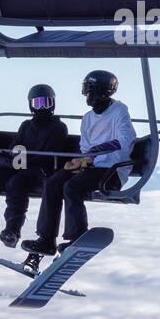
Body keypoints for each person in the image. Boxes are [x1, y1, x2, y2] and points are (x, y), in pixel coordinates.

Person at [23, 70, 136, 256]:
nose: (85, 94)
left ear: (101, 91)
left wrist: (96, 152)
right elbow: (86, 148)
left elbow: (126, 141)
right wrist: (82, 161)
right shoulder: (88, 118)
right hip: (92, 168)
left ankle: (77, 236)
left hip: (111, 171)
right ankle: (46, 239)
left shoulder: (119, 111)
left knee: (72, 186)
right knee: (52, 183)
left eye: (88, 89)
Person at [0, 84, 71, 251]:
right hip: (19, 165)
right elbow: (15, 147)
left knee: (16, 183)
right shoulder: (26, 126)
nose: (41, 107)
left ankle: (12, 230)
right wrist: (6, 157)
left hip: (40, 170)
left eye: (46, 103)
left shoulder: (58, 127)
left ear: (52, 104)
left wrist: (21, 160)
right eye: (37, 103)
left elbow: (48, 154)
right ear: (31, 105)